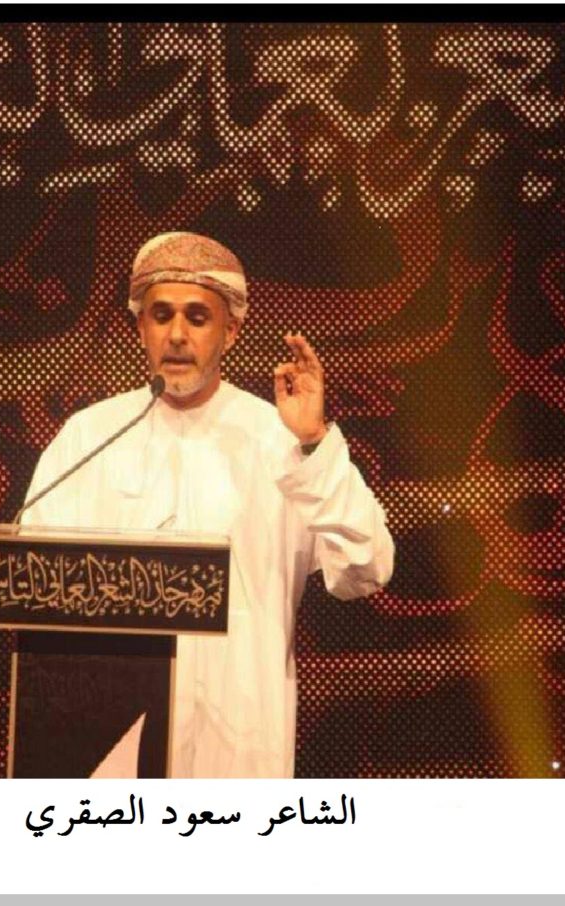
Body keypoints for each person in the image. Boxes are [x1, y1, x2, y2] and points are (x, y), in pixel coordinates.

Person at [22, 231, 395, 778]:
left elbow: (367, 568)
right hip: (109, 749)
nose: (177, 334)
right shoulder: (89, 436)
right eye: (161, 315)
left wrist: (314, 444)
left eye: (197, 317)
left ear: (231, 330)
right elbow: (32, 587)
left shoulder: (278, 437)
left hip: (239, 744)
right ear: (140, 328)